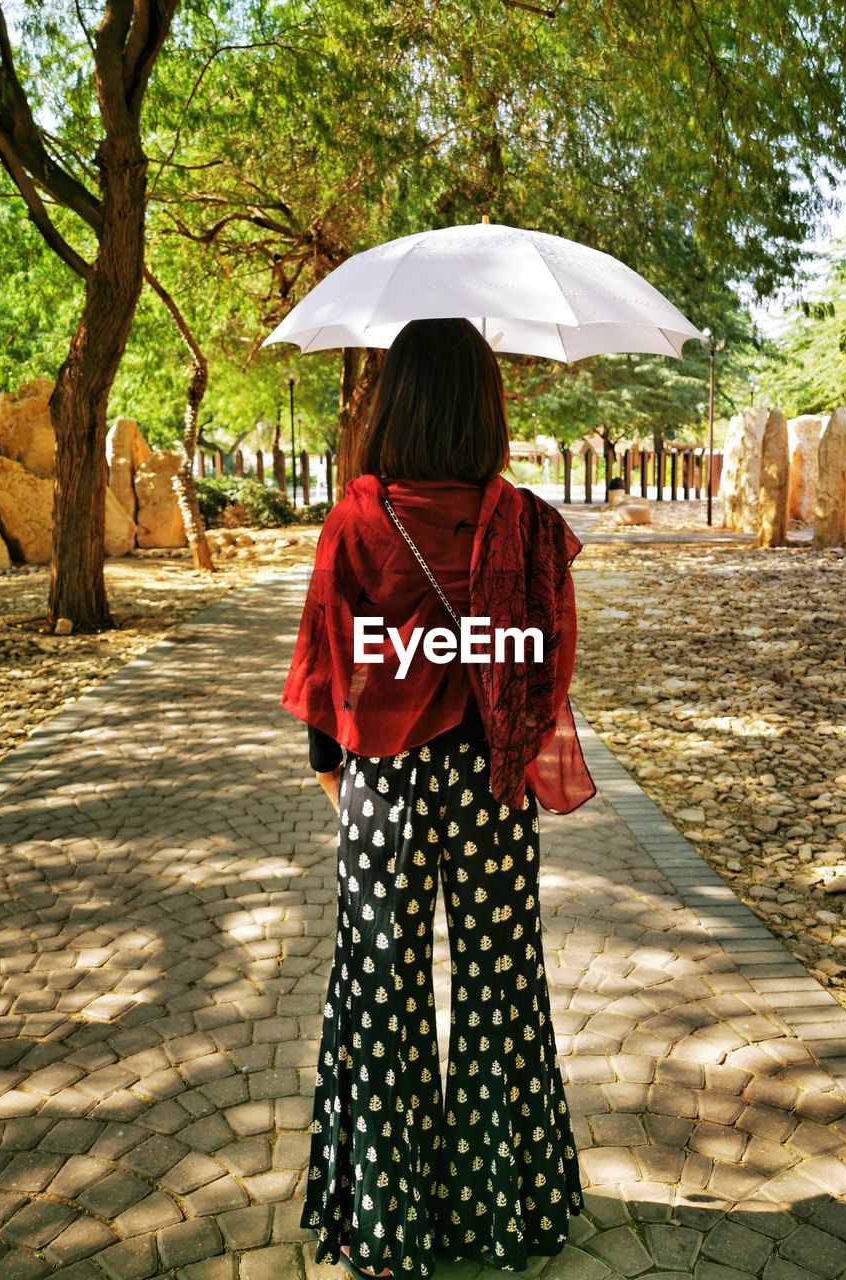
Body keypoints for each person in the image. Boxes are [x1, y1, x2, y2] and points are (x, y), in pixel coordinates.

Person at [281, 317, 596, 1280]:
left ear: (396, 403)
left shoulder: (358, 520)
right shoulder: (529, 523)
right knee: (501, 986)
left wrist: (338, 774)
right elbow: (549, 664)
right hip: (492, 784)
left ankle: (386, 1228)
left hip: (386, 782)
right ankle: (507, 1211)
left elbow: (330, 663)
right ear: (488, 409)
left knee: (383, 989)